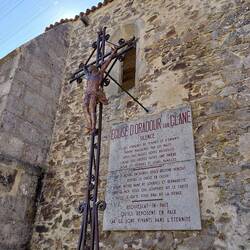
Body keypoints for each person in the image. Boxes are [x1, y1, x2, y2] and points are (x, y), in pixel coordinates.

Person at [83, 46, 117, 134]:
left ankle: (93, 128)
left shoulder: (99, 73)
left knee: (91, 109)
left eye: (90, 68)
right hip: (87, 94)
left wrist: (112, 54)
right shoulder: (89, 76)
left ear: (94, 68)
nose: (89, 69)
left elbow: (106, 64)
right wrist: (83, 67)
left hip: (94, 93)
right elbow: (84, 71)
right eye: (89, 69)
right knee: (85, 108)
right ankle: (89, 126)